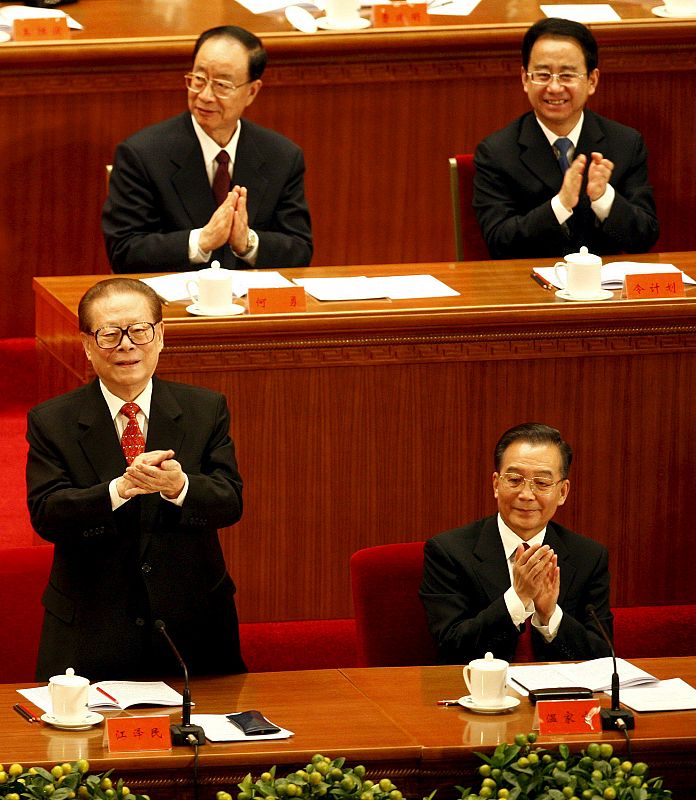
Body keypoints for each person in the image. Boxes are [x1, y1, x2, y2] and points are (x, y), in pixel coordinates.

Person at [26, 278, 246, 681]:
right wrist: (118, 490)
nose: (126, 345)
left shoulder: (204, 408)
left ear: (160, 336)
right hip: (91, 628)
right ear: (88, 345)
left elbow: (229, 501)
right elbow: (47, 515)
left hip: (193, 626)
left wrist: (179, 487)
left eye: (139, 331)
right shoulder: (51, 421)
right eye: (109, 334)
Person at [102, 26, 313, 274]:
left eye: (222, 85)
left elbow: (300, 249)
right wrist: (201, 241)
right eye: (198, 79)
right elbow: (125, 251)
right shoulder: (142, 154)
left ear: (252, 91)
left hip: (248, 307)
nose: (205, 95)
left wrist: (248, 244)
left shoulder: (282, 156)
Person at [420, 423, 612, 665]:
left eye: (541, 483)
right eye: (514, 480)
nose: (526, 494)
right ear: (496, 484)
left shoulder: (588, 556)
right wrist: (517, 599)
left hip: (558, 696)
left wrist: (550, 615)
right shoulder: (449, 552)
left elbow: (602, 658)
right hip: (480, 696)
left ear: (562, 492)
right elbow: (451, 648)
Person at [473, 18, 659, 260]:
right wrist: (560, 205)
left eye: (567, 75)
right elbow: (499, 242)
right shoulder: (496, 152)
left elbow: (645, 238)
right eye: (542, 74)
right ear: (524, 79)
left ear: (592, 80)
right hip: (529, 288)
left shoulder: (625, 143)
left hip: (605, 290)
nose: (554, 87)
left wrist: (604, 199)